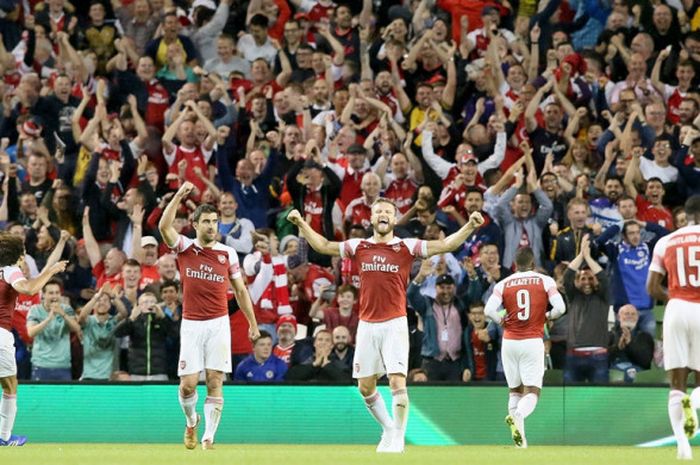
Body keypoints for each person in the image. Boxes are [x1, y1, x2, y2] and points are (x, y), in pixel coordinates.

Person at [287, 198, 484, 453]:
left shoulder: (406, 246)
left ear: (393, 219)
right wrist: (302, 223)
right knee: (365, 386)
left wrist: (469, 226)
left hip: (394, 323)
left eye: (388, 212)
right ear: (371, 218)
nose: (382, 215)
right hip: (367, 325)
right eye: (378, 211)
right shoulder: (359, 245)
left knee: (396, 382)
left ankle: (399, 437)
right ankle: (389, 428)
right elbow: (324, 245)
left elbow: (446, 244)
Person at [158, 181, 260, 450]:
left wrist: (252, 322)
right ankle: (192, 421)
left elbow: (240, 290)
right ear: (195, 224)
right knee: (188, 386)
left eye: (214, 221)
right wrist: (180, 194)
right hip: (191, 324)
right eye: (206, 221)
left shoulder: (228, 254)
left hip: (218, 324)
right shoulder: (185, 248)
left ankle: (209, 437)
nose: (211, 226)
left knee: (215, 380)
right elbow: (163, 227)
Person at [484, 247, 566, 448]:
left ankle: (520, 443)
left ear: (515, 265)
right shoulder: (545, 280)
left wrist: (501, 320)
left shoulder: (504, 283)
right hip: (532, 341)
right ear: (533, 264)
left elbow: (488, 310)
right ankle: (519, 414)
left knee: (514, 391)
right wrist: (547, 316)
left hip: (509, 342)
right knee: (532, 392)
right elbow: (561, 308)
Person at [0, 232, 67, 446]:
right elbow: (28, 288)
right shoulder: (11, 271)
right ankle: (4, 436)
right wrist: (51, 271)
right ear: (17, 255)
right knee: (10, 385)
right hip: (0, 334)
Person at [647, 195, 700, 460]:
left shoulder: (665, 241)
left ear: (687, 215)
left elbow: (652, 287)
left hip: (676, 309)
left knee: (676, 383)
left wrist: (675, 297)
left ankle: (683, 447)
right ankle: (695, 401)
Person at [26, 279, 81, 380]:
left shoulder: (66, 309)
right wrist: (49, 318)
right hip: (41, 365)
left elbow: (76, 328)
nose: (55, 296)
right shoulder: (35, 310)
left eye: (57, 293)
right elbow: (31, 332)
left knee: (63, 396)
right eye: (51, 293)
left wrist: (62, 314)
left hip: (62, 366)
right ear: (43, 295)